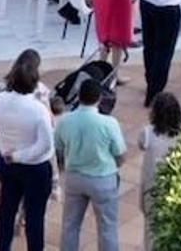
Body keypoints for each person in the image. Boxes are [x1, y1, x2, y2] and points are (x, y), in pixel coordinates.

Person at [0, 53, 55, 251]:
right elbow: (46, 146)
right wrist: (20, 154)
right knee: (34, 216)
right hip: (35, 168)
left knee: (6, 212)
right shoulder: (38, 110)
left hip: (9, 165)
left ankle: (2, 248)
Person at [55, 76, 127, 251]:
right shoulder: (109, 123)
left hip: (75, 178)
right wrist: (113, 167)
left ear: (79, 96)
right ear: (99, 99)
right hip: (103, 179)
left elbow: (59, 150)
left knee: (70, 225)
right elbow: (121, 154)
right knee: (107, 228)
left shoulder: (64, 120)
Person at [137, 92, 181, 251]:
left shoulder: (147, 133)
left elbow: (141, 145)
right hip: (174, 188)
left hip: (151, 186)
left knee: (150, 228)